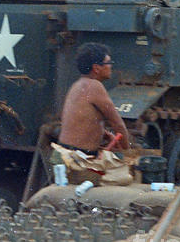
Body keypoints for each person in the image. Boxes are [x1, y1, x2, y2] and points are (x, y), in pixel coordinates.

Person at [51, 42, 129, 183]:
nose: (111, 65)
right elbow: (118, 124)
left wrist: (103, 133)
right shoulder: (95, 86)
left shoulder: (77, 85)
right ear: (96, 68)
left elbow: (80, 119)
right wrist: (127, 152)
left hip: (63, 156)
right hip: (78, 161)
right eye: (108, 62)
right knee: (124, 179)